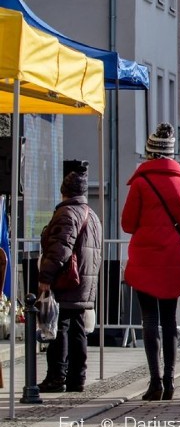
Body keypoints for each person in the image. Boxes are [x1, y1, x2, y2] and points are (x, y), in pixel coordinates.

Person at [122, 123, 180, 401]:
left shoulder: (140, 183)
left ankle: (154, 383)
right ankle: (170, 381)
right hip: (172, 258)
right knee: (170, 320)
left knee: (149, 319)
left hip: (144, 258)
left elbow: (128, 224)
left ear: (150, 153)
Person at [37, 162, 103, 393]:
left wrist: (46, 276)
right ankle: (78, 378)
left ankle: (57, 377)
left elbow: (60, 249)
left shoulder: (67, 213)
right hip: (85, 281)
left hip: (68, 280)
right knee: (77, 329)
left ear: (64, 190)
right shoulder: (92, 214)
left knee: (60, 328)